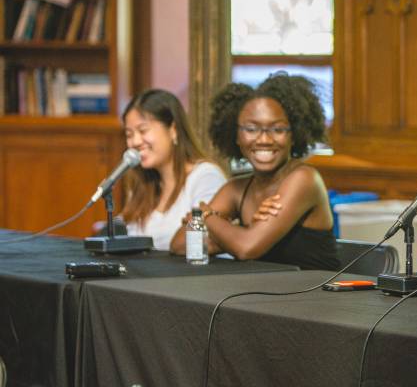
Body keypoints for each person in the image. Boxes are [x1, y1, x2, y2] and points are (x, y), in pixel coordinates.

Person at [170, 72, 340, 270]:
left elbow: (246, 248)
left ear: (294, 136)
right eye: (251, 129)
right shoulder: (236, 189)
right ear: (236, 136)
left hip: (314, 296)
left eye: (277, 129)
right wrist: (241, 232)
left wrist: (207, 217)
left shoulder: (305, 179)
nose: (264, 140)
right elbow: (181, 244)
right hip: (259, 295)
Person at [120, 89, 227, 251]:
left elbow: (206, 240)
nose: (135, 142)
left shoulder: (205, 176)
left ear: (173, 129)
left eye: (143, 131)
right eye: (129, 134)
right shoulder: (141, 182)